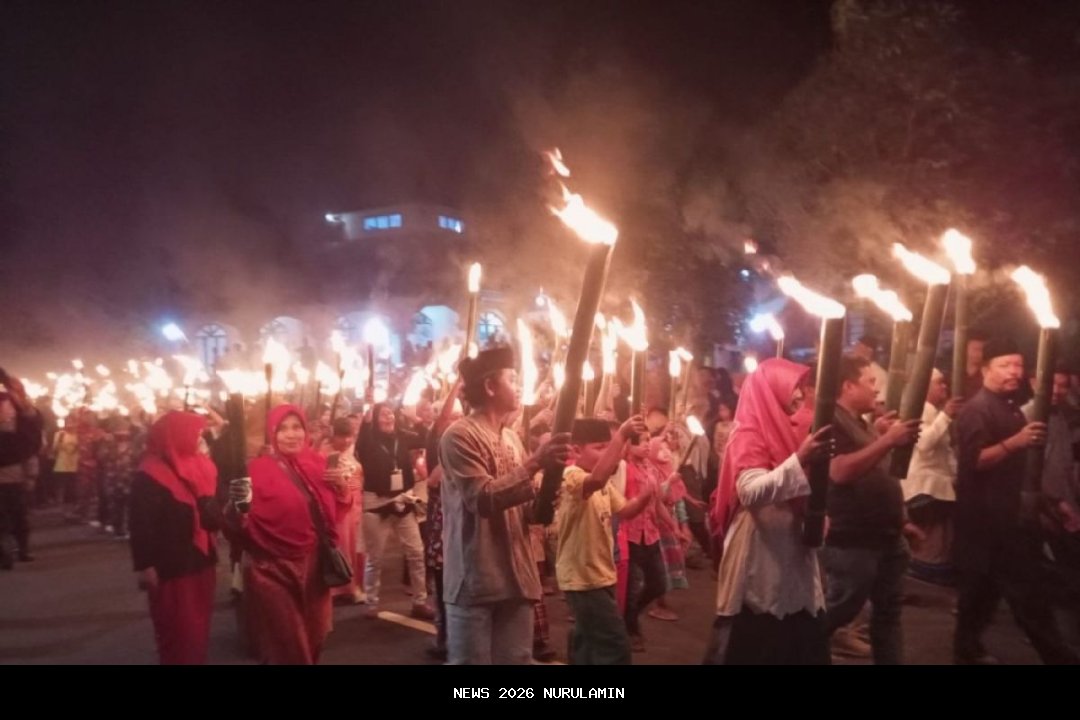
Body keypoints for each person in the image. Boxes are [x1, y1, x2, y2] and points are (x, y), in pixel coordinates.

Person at [438, 346, 570, 664]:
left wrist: (546, 495)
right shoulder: (458, 436)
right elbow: (482, 498)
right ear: (490, 386)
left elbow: (523, 505)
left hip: (516, 577)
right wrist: (535, 464)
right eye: (512, 378)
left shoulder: (511, 438)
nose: (520, 385)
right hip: (476, 576)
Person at [953, 338, 1079, 664]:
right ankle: (1058, 656)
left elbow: (1023, 471)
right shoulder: (976, 410)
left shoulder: (1009, 408)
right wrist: (1016, 442)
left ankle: (966, 651)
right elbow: (974, 462)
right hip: (985, 520)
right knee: (1024, 594)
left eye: (1018, 365)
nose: (1014, 371)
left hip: (1008, 516)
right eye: (1004, 365)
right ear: (985, 370)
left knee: (981, 596)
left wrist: (1051, 503)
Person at [705, 358, 832, 665]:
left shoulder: (792, 431)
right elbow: (750, 491)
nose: (798, 401)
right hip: (760, 549)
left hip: (790, 546)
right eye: (792, 393)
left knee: (797, 626)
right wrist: (799, 459)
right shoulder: (747, 434)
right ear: (770, 393)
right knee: (757, 632)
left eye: (801, 394)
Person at [226, 404, 338, 665]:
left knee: (314, 636)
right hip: (271, 569)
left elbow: (330, 513)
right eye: (283, 429)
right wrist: (238, 507)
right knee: (287, 643)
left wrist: (342, 487)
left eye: (297, 427)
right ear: (272, 434)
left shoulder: (317, 464)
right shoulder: (255, 470)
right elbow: (235, 523)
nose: (291, 434)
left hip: (313, 566)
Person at [556, 416, 653, 664]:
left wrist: (645, 496)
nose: (606, 453)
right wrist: (621, 436)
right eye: (599, 447)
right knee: (614, 645)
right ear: (577, 450)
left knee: (588, 641)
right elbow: (595, 480)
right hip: (582, 577)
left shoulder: (605, 485)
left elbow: (625, 511)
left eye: (607, 447)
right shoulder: (572, 476)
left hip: (600, 574)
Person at [129, 412, 222, 664]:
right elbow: (141, 524)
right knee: (178, 631)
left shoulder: (198, 464)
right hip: (172, 568)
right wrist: (145, 565)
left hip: (201, 560)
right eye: (195, 433)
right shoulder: (150, 474)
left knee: (198, 629)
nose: (200, 438)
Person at [355, 403, 432, 619]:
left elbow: (426, 437)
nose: (389, 417)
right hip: (376, 503)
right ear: (375, 419)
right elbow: (361, 439)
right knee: (375, 557)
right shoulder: (369, 441)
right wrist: (367, 416)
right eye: (383, 414)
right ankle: (371, 602)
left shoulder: (402, 437)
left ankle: (420, 601)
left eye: (391, 413)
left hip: (403, 501)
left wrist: (416, 419)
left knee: (417, 552)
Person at [903, 369, 963, 585]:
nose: (944, 388)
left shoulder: (932, 411)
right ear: (924, 386)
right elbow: (925, 444)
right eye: (939, 383)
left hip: (940, 486)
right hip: (925, 487)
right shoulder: (918, 409)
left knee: (940, 543)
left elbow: (945, 452)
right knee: (930, 544)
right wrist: (945, 415)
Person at [0, 375, 43, 569]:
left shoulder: (18, 407)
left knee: (18, 515)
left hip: (14, 474)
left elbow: (30, 439)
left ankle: (21, 548)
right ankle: (5, 552)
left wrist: (30, 474)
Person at [322, 417, 365, 605]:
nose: (347, 441)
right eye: (342, 437)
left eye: (349, 437)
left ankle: (355, 585)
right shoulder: (326, 454)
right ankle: (340, 588)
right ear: (334, 436)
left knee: (358, 546)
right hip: (339, 504)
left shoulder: (351, 451)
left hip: (357, 502)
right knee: (343, 544)